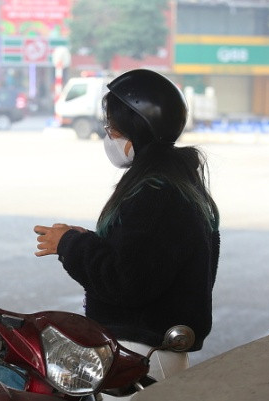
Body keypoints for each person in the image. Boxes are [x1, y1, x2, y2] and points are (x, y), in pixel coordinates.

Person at [33, 69, 220, 397]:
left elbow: (125, 280)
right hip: (149, 350)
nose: (109, 136)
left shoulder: (157, 194)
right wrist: (88, 239)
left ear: (137, 130)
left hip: (143, 355)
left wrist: (71, 244)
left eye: (113, 129)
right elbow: (144, 256)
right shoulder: (172, 182)